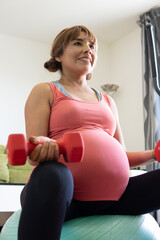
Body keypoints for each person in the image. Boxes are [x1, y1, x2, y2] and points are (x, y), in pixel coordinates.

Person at [18, 25, 160, 240]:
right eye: (78, 43)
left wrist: (153, 154)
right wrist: (44, 148)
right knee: (52, 173)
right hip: (65, 198)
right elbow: (34, 153)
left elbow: (121, 155)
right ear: (58, 55)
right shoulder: (46, 90)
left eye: (92, 46)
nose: (88, 49)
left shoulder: (108, 100)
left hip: (116, 198)